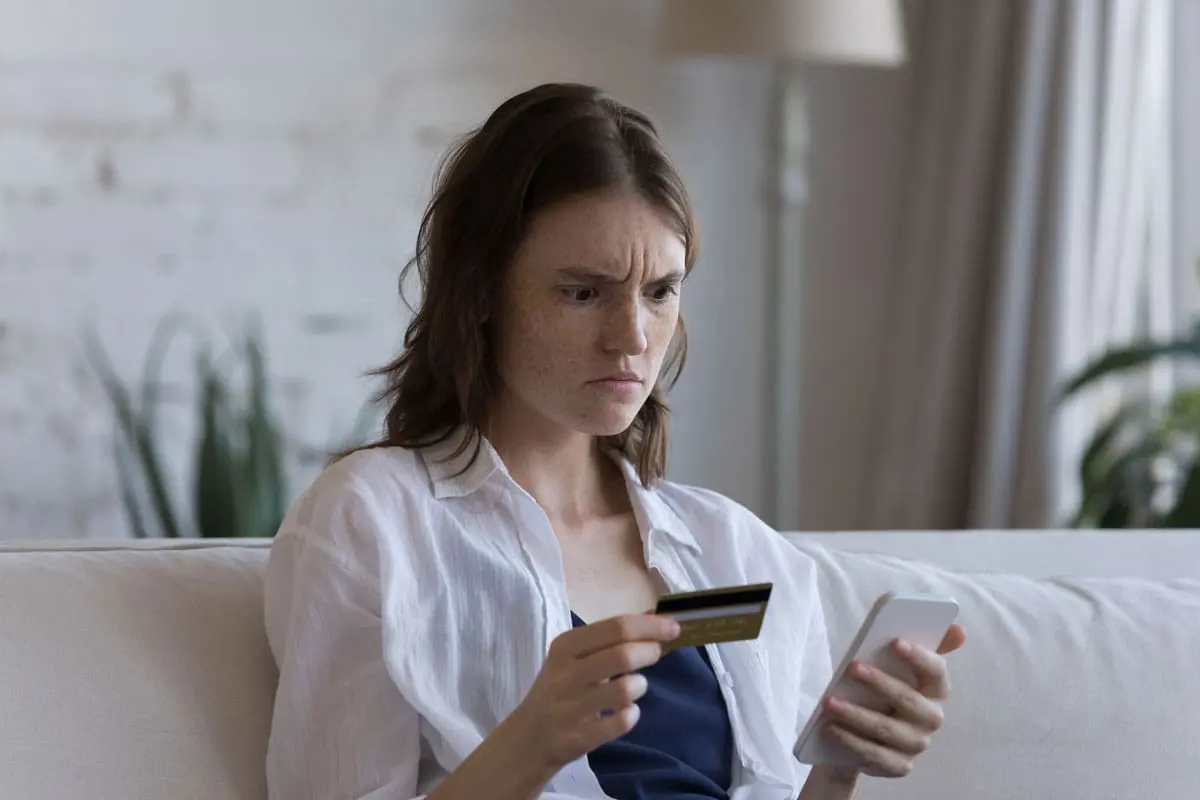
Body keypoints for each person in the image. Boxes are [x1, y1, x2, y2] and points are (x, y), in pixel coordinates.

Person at [263, 82, 967, 800]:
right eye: (583, 292)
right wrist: (528, 747)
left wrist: (843, 764)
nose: (631, 338)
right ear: (479, 293)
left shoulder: (740, 552)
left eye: (660, 291)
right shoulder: (374, 522)